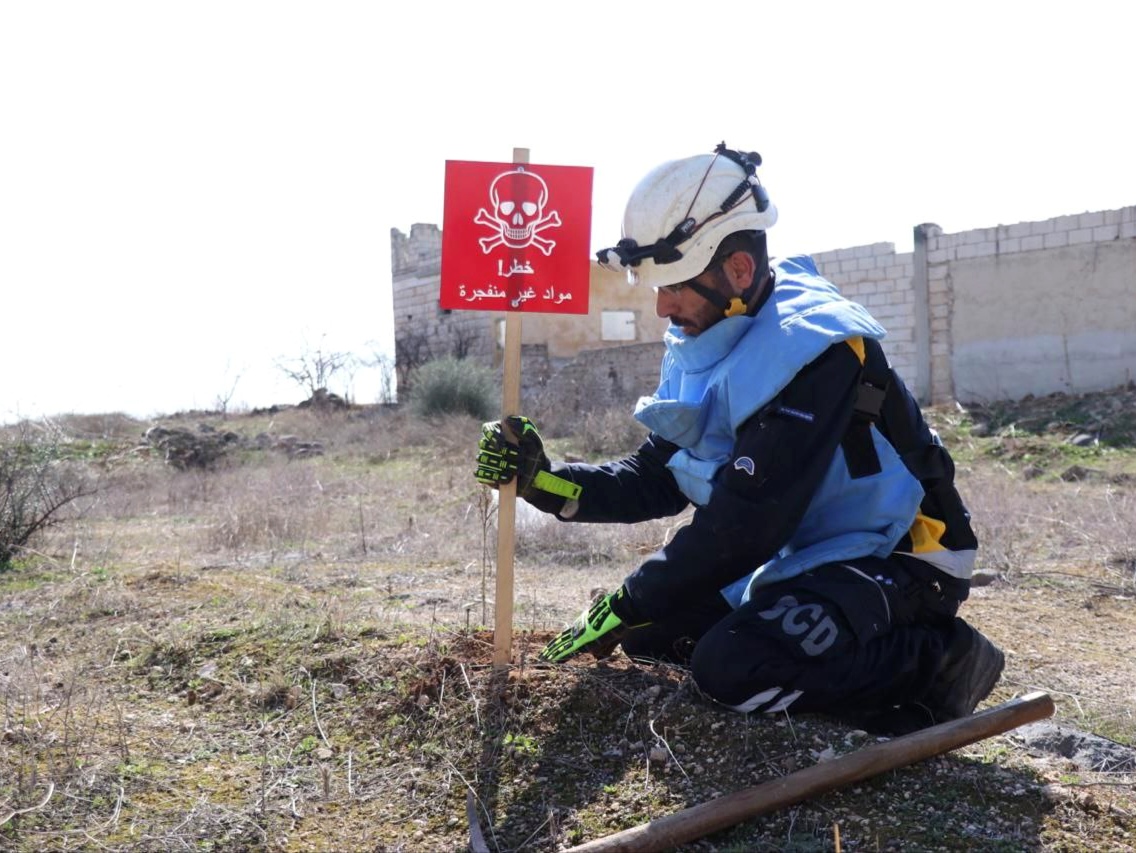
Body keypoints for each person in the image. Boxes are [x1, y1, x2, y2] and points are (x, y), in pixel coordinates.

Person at [474, 142, 1004, 734]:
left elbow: (745, 526)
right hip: (815, 550)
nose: (661, 306)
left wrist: (626, 598)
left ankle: (941, 661)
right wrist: (542, 481)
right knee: (655, 633)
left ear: (739, 270)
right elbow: (657, 475)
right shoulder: (707, 334)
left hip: (905, 557)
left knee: (731, 667)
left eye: (673, 284)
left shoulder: (819, 350)